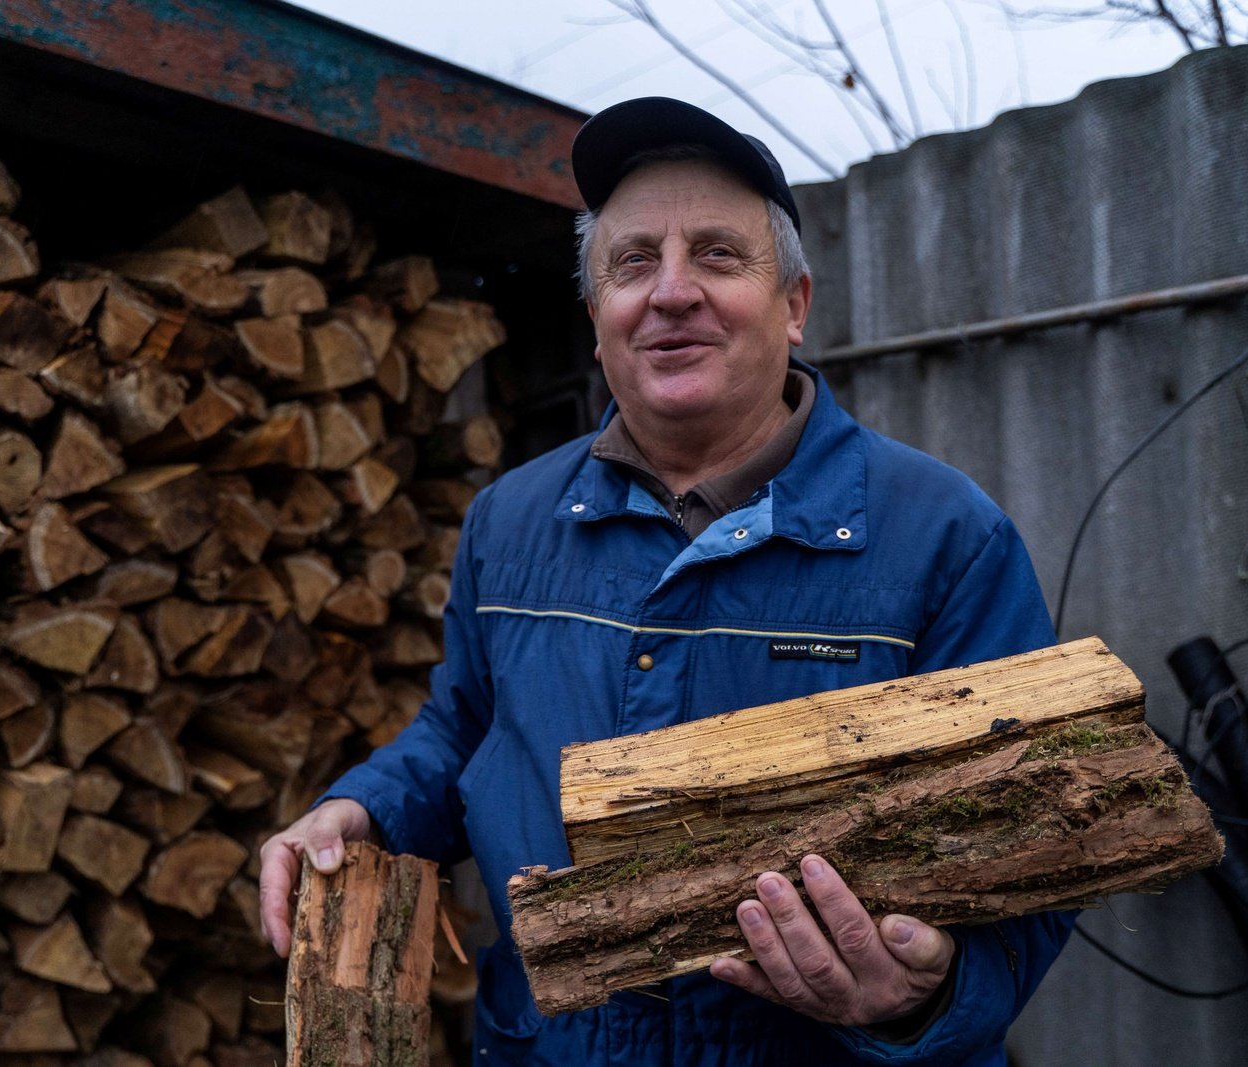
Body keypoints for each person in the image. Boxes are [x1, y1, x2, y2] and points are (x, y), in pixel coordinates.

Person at [260, 96, 1073, 1065]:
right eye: (633, 261)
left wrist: (923, 992)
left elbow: (1046, 841)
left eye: (718, 255)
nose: (670, 290)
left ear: (796, 305)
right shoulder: (510, 524)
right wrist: (370, 804)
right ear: (597, 315)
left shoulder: (940, 537)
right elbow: (468, 730)